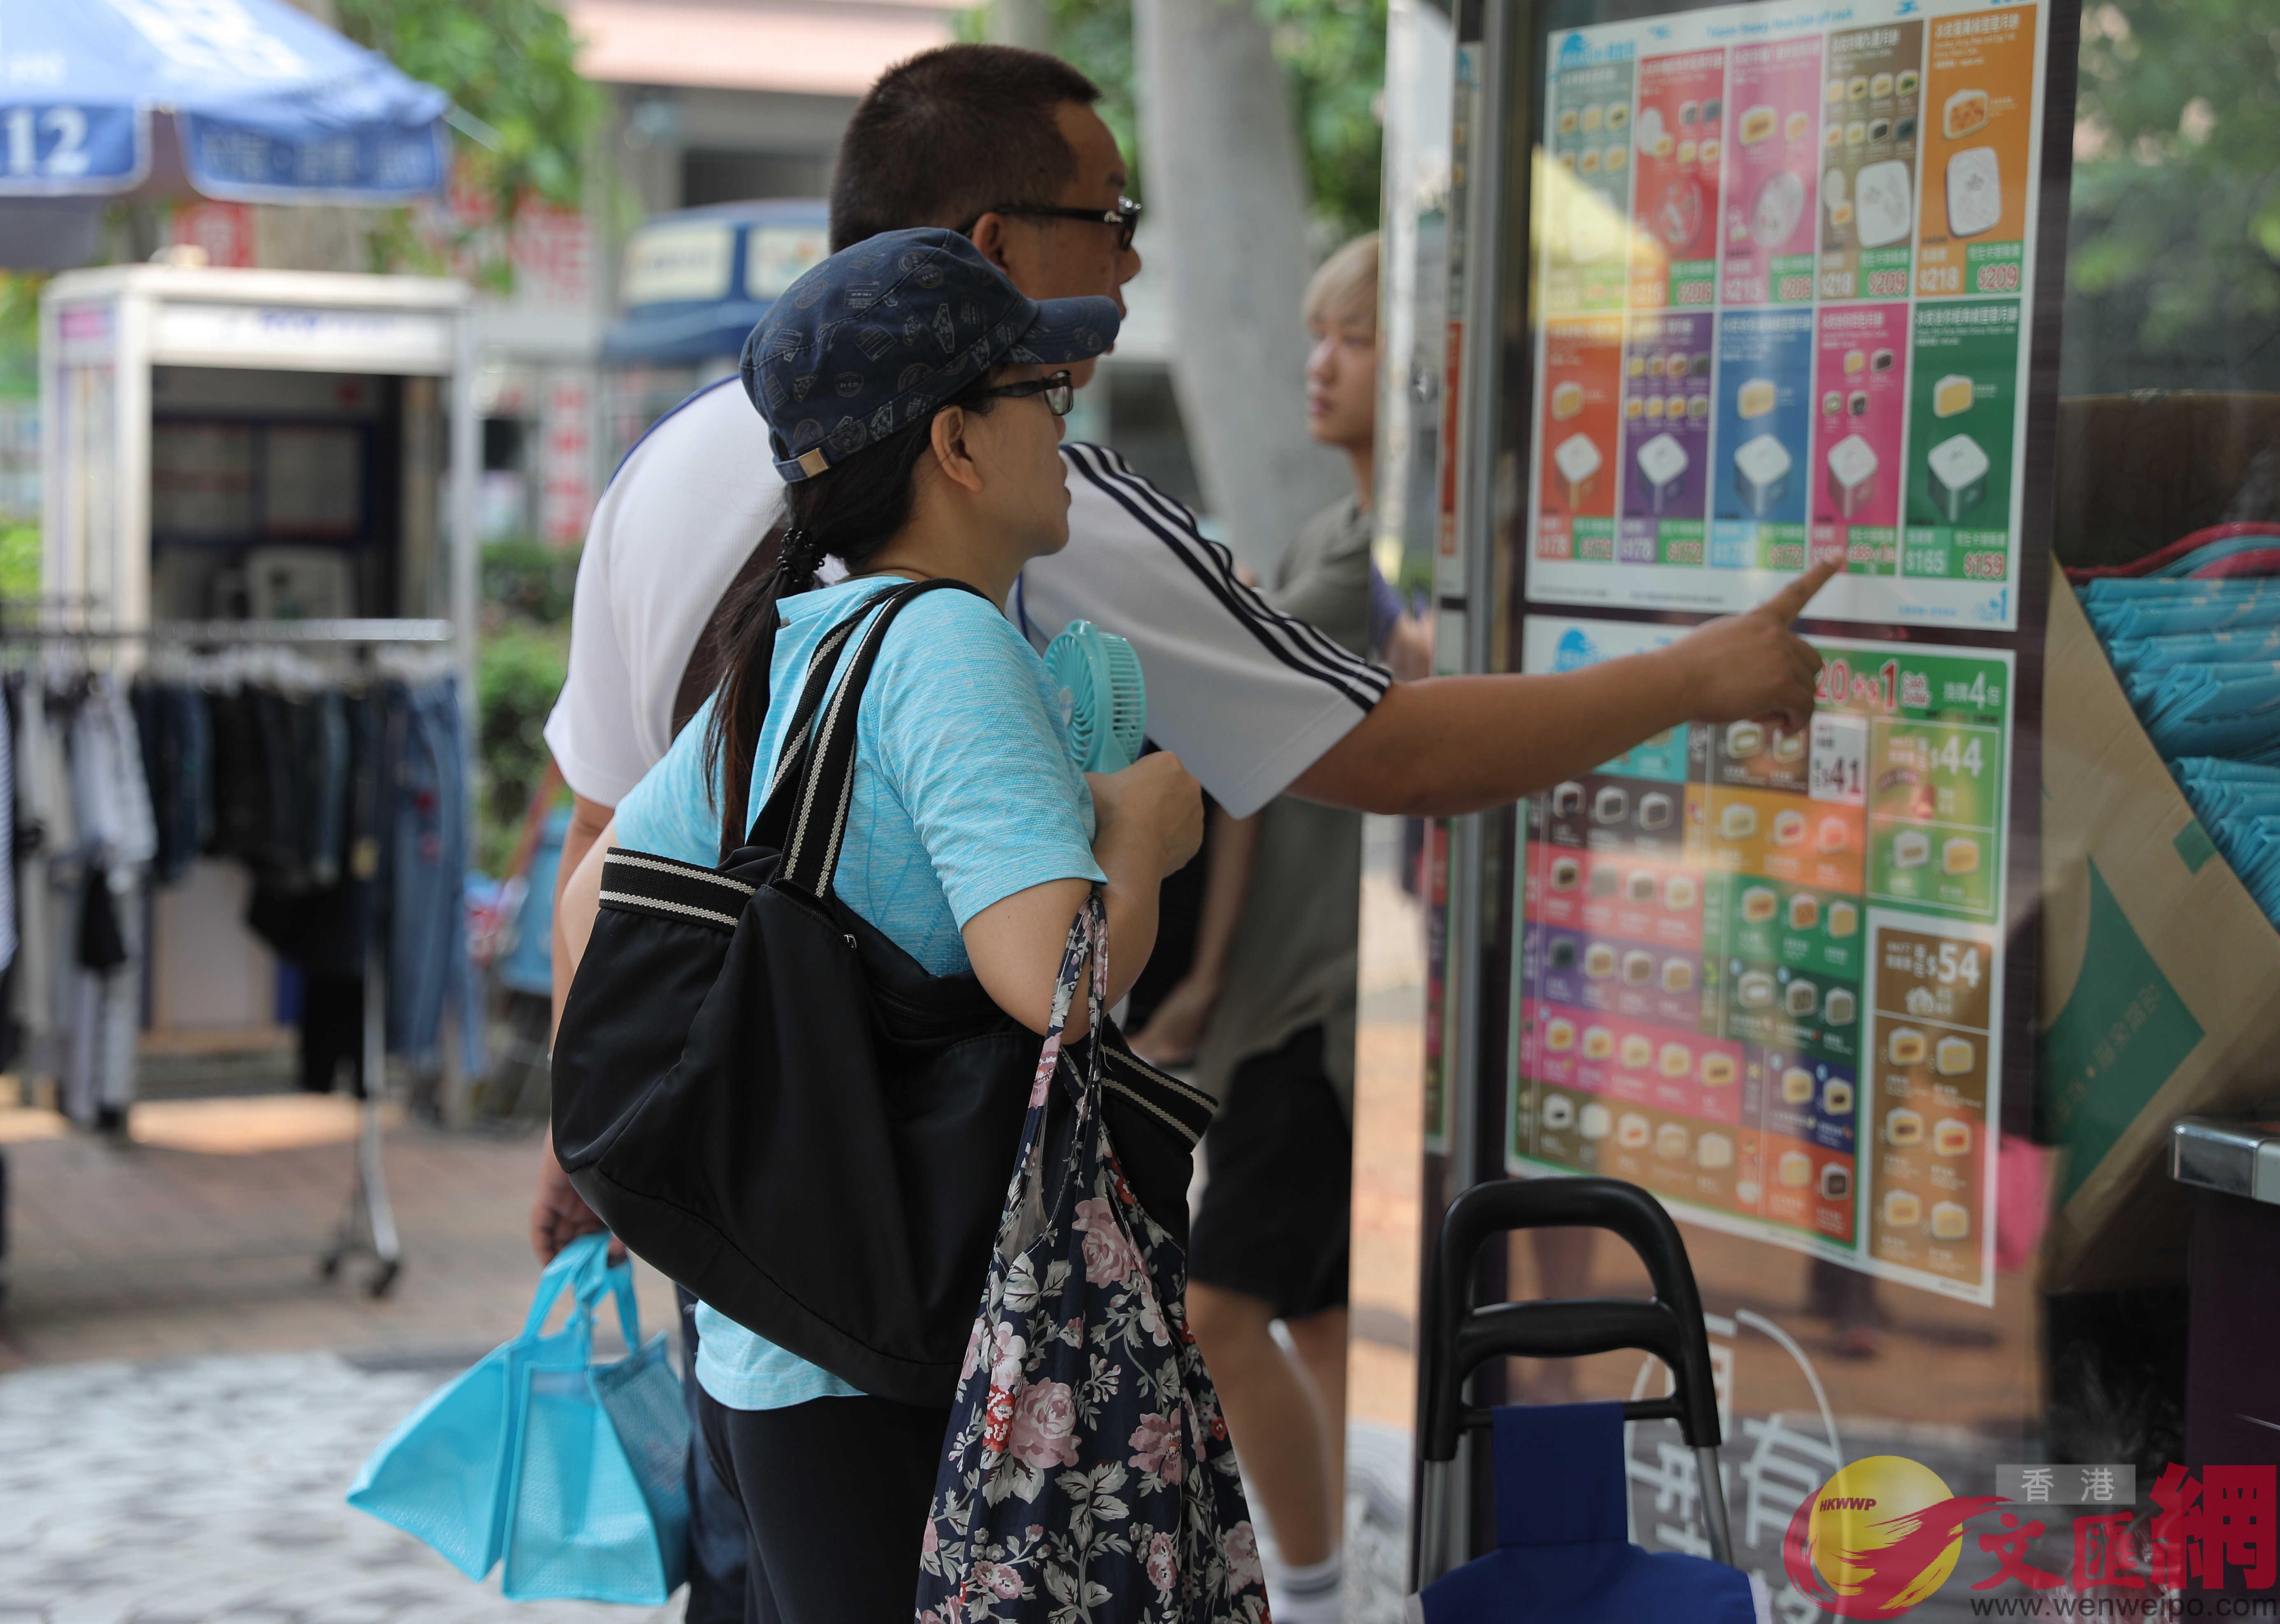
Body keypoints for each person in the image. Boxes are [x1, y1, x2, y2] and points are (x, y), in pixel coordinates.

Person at [532, 38, 1832, 1615]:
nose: (1133, 263)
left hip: (758, 1266)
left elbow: (603, 856)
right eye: (1108, 215)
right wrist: (1699, 674)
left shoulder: (708, 503)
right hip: (938, 1294)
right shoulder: (971, 592)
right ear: (987, 278)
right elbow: (1377, 763)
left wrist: (604, 1135)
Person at [557, 228, 1204, 1623]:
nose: (1064, 431)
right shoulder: (944, 642)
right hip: (895, 1371)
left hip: (770, 1343)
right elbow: (1061, 979)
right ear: (958, 442)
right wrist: (1141, 836)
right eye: (1048, 395)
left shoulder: (800, 632)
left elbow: (590, 905)